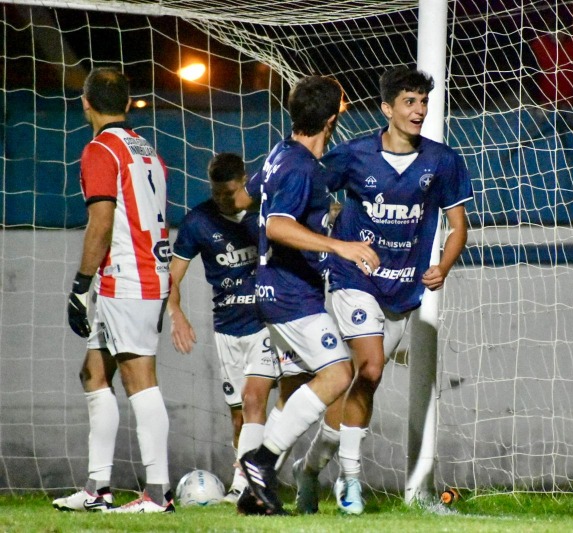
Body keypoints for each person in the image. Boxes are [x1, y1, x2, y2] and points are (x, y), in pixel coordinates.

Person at [292, 66, 473, 515]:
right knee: (369, 368)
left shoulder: (441, 161)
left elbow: (458, 226)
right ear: (387, 108)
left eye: (423, 102)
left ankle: (310, 468)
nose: (419, 110)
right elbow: (309, 193)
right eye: (409, 102)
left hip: (403, 286)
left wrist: (443, 267)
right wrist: (331, 221)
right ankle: (350, 482)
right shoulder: (353, 156)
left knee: (363, 383)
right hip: (354, 278)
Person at [235, 75, 379, 516]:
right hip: (290, 292)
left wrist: (319, 217)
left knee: (299, 387)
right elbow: (277, 223)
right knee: (338, 375)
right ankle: (260, 462)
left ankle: (254, 493)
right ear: (334, 116)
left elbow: (246, 196)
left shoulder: (282, 154)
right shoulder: (299, 167)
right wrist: (339, 245)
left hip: (277, 287)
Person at [53, 67, 174, 513]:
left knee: (139, 380)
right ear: (126, 103)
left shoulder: (100, 149)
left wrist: (79, 284)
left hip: (127, 276)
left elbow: (101, 223)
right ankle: (97, 489)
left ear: (85, 104)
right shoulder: (148, 150)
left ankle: (158, 493)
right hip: (138, 273)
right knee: (93, 374)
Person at [168, 152, 307, 503]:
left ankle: (244, 486)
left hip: (264, 322)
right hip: (226, 329)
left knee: (253, 400)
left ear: (245, 181)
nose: (224, 200)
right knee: (237, 415)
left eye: (230, 193)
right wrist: (176, 313)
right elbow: (171, 277)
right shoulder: (198, 221)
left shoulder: (266, 212)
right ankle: (252, 476)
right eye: (217, 194)